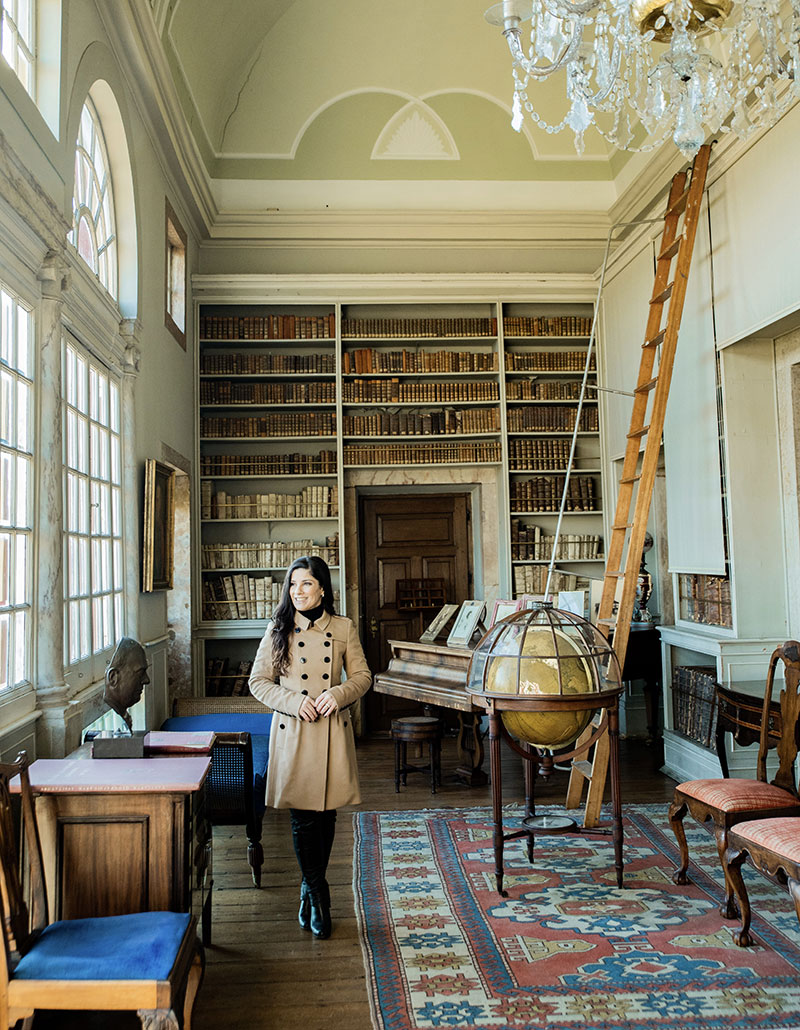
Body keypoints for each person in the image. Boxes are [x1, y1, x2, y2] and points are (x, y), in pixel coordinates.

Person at [248, 556, 371, 939]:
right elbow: (258, 682)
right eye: (292, 585)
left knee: (327, 815)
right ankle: (319, 894)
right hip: (294, 731)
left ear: (322, 588)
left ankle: (308, 885)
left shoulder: (344, 628)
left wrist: (339, 692)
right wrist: (292, 701)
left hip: (332, 729)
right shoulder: (277, 630)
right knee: (303, 818)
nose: (297, 592)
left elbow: (365, 676)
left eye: (305, 584)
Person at [104, 637, 150, 733]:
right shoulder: (111, 725)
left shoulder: (122, 716)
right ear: (113, 678)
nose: (146, 680)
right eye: (140, 673)